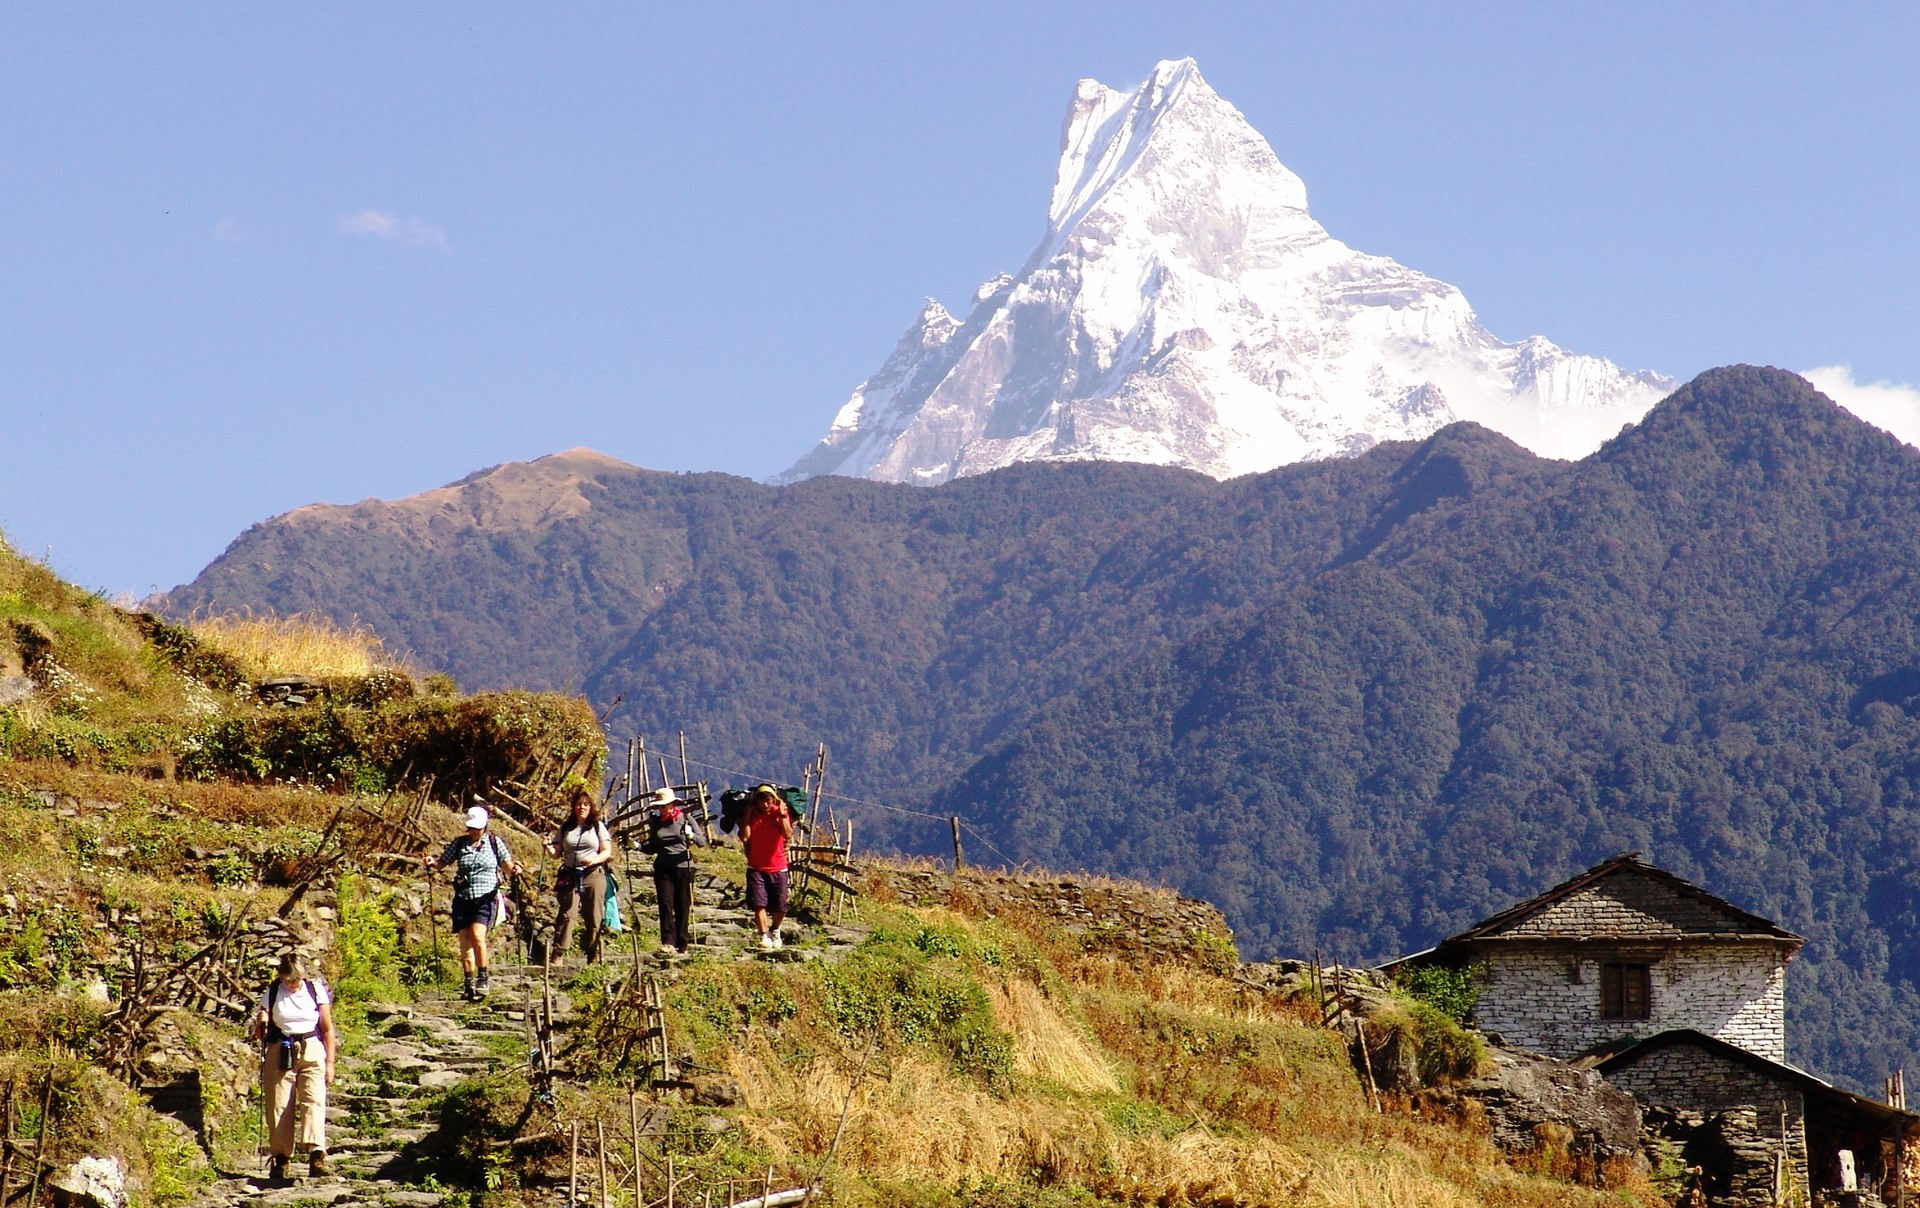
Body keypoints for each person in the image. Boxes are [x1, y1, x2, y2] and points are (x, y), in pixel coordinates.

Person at [247, 953, 336, 1181]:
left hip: (311, 1047)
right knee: (279, 1104)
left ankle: (317, 1155)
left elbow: (327, 1029)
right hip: (281, 1048)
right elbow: (261, 1035)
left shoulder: (315, 990)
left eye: (295, 979)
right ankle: (281, 1159)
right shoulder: (273, 993)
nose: (292, 984)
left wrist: (330, 1063)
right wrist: (261, 1023)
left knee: (314, 1099)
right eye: (287, 980)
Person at [426, 800, 518, 999]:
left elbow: (507, 865)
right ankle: (468, 983)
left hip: (486, 897)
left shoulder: (494, 842)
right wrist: (433, 862)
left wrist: (515, 869)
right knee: (465, 940)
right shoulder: (460, 843)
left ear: (484, 826)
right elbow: (442, 863)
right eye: (471, 827)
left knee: (477, 934)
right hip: (463, 897)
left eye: (478, 828)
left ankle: (483, 978)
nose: (474, 831)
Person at [548, 782, 614, 964]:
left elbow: (606, 851)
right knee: (567, 913)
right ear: (573, 807)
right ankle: (558, 952)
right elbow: (556, 853)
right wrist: (548, 847)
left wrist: (594, 860)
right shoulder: (566, 828)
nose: (582, 807)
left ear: (591, 807)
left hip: (593, 874)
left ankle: (593, 953)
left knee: (594, 914)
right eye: (578, 804)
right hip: (570, 874)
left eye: (585, 804)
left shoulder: (597, 826)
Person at [640, 787, 706, 954]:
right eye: (659, 806)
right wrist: (638, 846)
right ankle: (668, 941)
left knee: (682, 906)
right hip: (663, 868)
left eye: (663, 806)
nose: (661, 809)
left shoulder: (686, 819)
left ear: (672, 804)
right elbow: (653, 847)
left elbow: (702, 842)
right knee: (665, 904)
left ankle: (682, 943)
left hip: (684, 868)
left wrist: (691, 836)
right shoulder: (656, 822)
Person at [739, 784, 794, 951]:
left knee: (781, 906)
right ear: (756, 801)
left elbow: (788, 834)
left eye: (768, 801)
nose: (765, 804)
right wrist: (747, 816)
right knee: (759, 904)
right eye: (762, 801)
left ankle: (775, 929)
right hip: (756, 867)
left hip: (778, 867)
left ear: (773, 800)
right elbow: (745, 837)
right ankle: (764, 935)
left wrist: (782, 816)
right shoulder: (752, 815)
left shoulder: (779, 814)